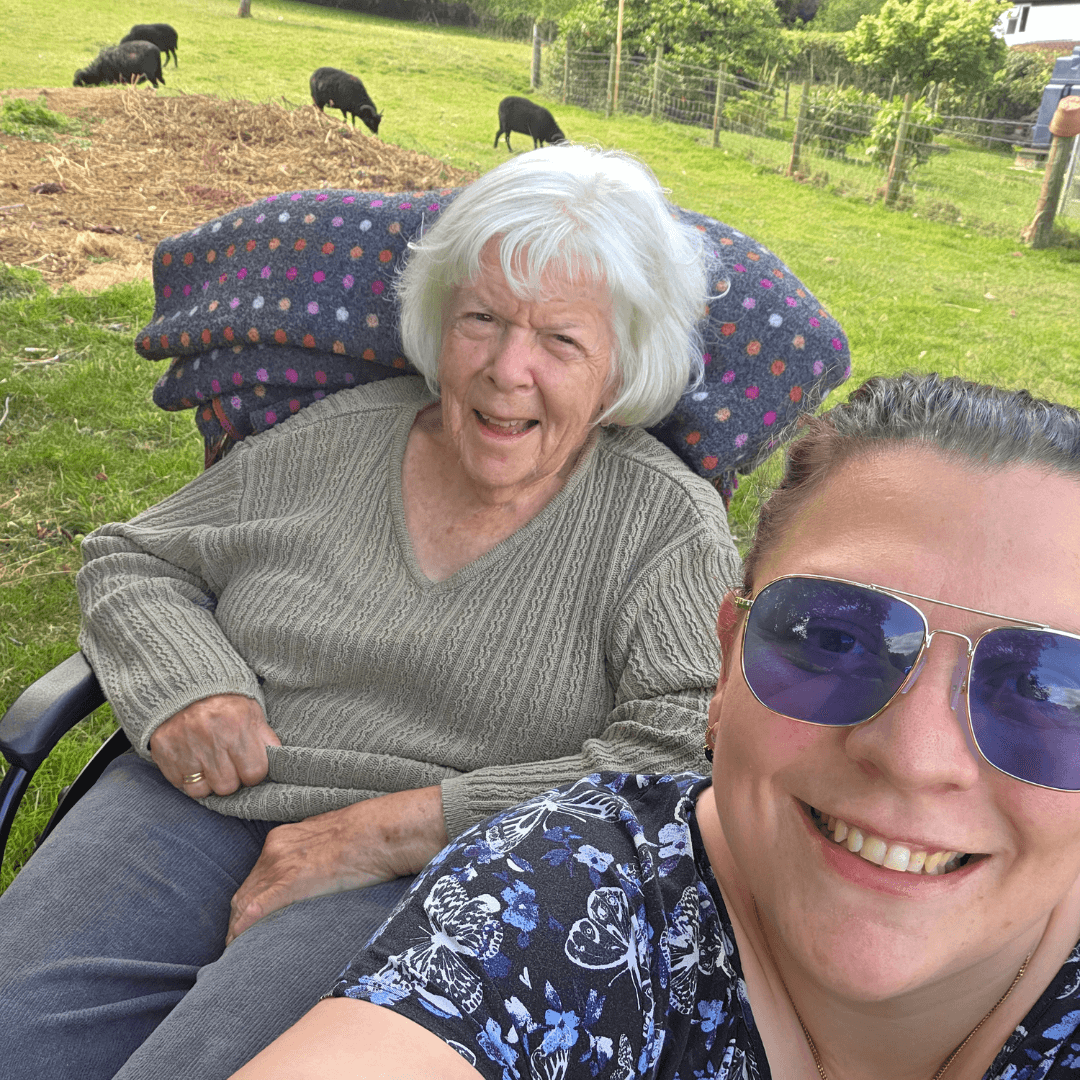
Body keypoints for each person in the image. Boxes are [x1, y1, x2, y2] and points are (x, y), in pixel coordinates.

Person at [0, 146, 743, 1079]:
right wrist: (189, 684)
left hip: (440, 875)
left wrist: (407, 825)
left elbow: (687, 748)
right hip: (202, 801)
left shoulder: (663, 523)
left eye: (561, 340)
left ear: (623, 366)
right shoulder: (340, 436)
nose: (507, 370)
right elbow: (135, 558)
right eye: (481, 319)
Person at [233, 372, 1080, 1080]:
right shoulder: (563, 898)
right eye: (832, 638)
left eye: (1048, 690)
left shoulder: (658, 508)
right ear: (727, 661)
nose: (914, 756)